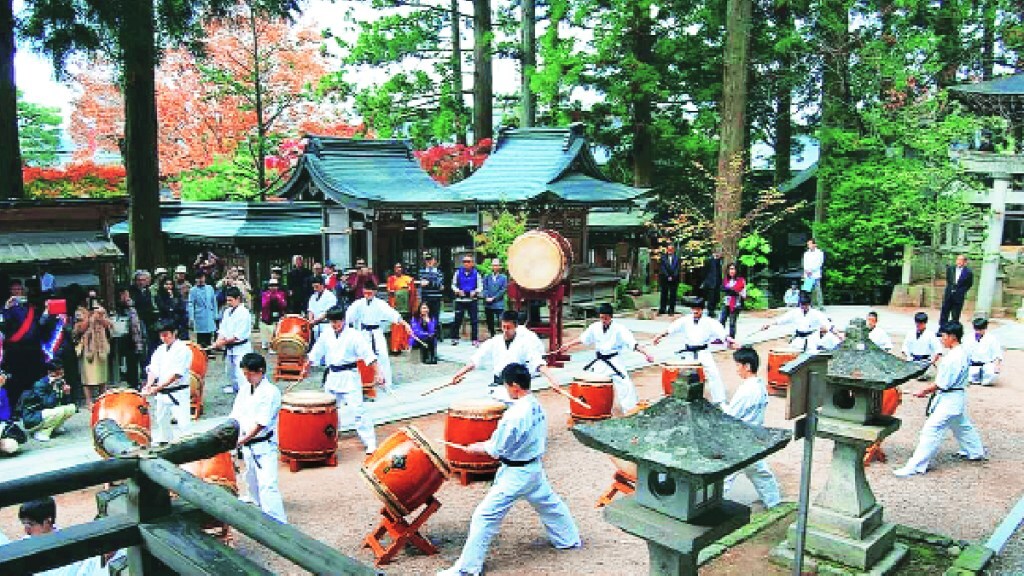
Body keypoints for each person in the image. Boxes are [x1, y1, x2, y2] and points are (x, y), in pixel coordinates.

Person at [437, 363, 582, 576]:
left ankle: (467, 569)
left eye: (506, 386)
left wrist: (477, 448)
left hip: (516, 474)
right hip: (533, 469)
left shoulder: (514, 416)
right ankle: (568, 540)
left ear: (514, 386)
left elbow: (497, 448)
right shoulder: (535, 404)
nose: (505, 389)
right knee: (550, 504)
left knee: (484, 517)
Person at [893, 322, 987, 477]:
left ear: (952, 337)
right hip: (955, 397)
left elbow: (942, 383)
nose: (942, 340)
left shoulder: (954, 358)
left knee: (932, 430)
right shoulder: (960, 352)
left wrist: (923, 390)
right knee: (962, 425)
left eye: (943, 336)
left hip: (950, 398)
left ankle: (916, 466)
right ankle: (975, 451)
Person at [308, 307, 382, 453]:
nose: (334, 325)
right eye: (332, 322)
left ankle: (370, 442)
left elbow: (369, 355)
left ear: (343, 320)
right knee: (329, 411)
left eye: (337, 322)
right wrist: (306, 366)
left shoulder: (354, 335)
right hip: (332, 376)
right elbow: (316, 351)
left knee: (358, 411)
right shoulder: (326, 333)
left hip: (349, 376)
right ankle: (329, 438)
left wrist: (379, 373)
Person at [449, 310, 564, 404]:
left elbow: (538, 363)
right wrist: (459, 374)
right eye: (503, 327)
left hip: (517, 388)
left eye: (508, 327)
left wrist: (552, 379)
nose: (505, 330)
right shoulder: (494, 341)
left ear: (516, 326)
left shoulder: (525, 343)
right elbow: (475, 360)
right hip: (499, 385)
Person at [558, 303, 654, 414]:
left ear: (611, 317)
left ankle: (630, 410)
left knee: (625, 385)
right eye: (601, 317)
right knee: (587, 383)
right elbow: (583, 339)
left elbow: (632, 343)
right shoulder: (595, 327)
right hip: (600, 362)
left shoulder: (619, 329)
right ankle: (581, 408)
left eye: (606, 318)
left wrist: (646, 353)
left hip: (614, 361)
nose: (603, 320)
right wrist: (568, 344)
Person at [722, 347, 783, 508]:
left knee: (725, 476)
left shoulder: (747, 390)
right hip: (753, 437)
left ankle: (712, 508)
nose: (736, 370)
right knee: (760, 473)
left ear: (747, 366)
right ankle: (774, 502)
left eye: (737, 365)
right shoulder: (760, 386)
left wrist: (721, 408)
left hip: (739, 439)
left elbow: (730, 416)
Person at [230, 353, 287, 523]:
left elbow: (262, 423)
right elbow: (236, 414)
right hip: (247, 445)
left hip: (264, 445)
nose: (246, 377)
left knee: (268, 484)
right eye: (245, 373)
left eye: (249, 373)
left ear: (260, 371)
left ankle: (277, 521)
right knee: (251, 481)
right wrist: (231, 434)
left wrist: (243, 439)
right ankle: (260, 509)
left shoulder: (271, 392)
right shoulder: (245, 389)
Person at [653, 298, 732, 405]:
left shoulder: (710, 322)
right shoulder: (685, 320)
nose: (695, 311)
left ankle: (720, 400)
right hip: (689, 353)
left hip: (703, 352)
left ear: (702, 310)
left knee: (714, 374)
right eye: (693, 309)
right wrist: (659, 336)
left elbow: (721, 333)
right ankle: (684, 397)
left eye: (698, 309)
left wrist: (729, 340)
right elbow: (671, 329)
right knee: (684, 375)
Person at [345, 283, 411, 390]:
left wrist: (405, 324)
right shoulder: (358, 304)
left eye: (369, 293)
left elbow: (392, 314)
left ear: (375, 292)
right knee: (363, 357)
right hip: (363, 333)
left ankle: (386, 383)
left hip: (376, 332)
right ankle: (365, 384)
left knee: (383, 356)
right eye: (365, 293)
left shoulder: (380, 304)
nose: (367, 295)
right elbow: (348, 317)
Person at [19, 497, 107, 575]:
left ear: (47, 521)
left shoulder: (73, 546)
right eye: (25, 525)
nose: (26, 531)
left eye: (30, 525)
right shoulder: (22, 546)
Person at [142, 320, 192, 444]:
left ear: (174, 333)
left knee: (183, 423)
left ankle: (188, 447)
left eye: (166, 335)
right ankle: (165, 442)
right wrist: (148, 385)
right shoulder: (160, 349)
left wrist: (157, 388)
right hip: (162, 392)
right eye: (161, 335)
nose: (163, 338)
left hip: (178, 391)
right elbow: (153, 369)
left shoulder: (183, 349)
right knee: (161, 420)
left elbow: (176, 374)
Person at [1, 279, 47, 409]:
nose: (17, 293)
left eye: (19, 290)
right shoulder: (6, 308)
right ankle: (13, 408)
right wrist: (6, 308)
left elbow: (39, 325)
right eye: (14, 290)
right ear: (10, 292)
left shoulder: (32, 307)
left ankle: (34, 406)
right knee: (15, 381)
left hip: (33, 349)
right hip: (16, 350)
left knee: (34, 378)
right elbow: (4, 326)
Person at [17, 361, 76, 442]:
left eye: (62, 374)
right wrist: (54, 390)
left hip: (48, 413)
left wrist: (67, 394)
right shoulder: (40, 384)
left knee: (71, 408)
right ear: (50, 372)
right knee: (60, 411)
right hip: (34, 417)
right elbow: (48, 404)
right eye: (57, 374)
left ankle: (55, 427)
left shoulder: (60, 382)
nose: (60, 376)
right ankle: (42, 433)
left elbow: (65, 404)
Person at [72, 299, 112, 408]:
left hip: (101, 346)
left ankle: (102, 398)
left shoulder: (101, 310)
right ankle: (89, 401)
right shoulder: (80, 311)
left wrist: (101, 316)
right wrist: (91, 318)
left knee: (102, 375)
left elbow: (109, 325)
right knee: (87, 376)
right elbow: (79, 329)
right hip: (87, 347)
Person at [760, 293, 831, 353]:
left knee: (811, 353)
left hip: (812, 338)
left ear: (809, 304)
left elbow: (827, 324)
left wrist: (828, 330)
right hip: (798, 337)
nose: (803, 307)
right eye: (802, 305)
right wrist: (769, 324)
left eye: (805, 305)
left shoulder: (816, 313)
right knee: (794, 352)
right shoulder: (795, 312)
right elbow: (782, 319)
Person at [214, 287, 253, 394]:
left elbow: (238, 335)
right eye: (227, 300)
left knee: (241, 371)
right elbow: (222, 329)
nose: (228, 303)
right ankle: (235, 387)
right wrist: (218, 340)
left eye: (231, 300)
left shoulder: (244, 313)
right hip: (229, 347)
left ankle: (245, 391)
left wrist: (222, 342)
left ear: (238, 299)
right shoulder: (227, 312)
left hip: (241, 347)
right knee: (230, 370)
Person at [116, 286, 146, 388]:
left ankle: (135, 382)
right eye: (124, 294)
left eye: (127, 294)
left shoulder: (132, 306)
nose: (126, 296)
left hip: (134, 336)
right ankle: (129, 381)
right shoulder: (118, 307)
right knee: (126, 361)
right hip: (123, 337)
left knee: (134, 360)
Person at [451, 253, 482, 346]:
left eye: (468, 261)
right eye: (464, 262)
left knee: (474, 320)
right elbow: (453, 284)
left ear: (472, 263)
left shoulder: (476, 273)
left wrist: (476, 291)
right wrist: (457, 290)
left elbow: (480, 286)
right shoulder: (458, 272)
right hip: (460, 300)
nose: (466, 263)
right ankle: (455, 338)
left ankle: (474, 339)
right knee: (457, 319)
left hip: (472, 300)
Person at [902, 312, 943, 381]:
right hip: (912, 360)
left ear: (925, 323)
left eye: (921, 323)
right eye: (917, 323)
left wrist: (932, 361)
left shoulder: (930, 334)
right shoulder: (910, 333)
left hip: (925, 361)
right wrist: (908, 356)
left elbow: (938, 350)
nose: (918, 325)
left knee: (925, 374)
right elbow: (905, 347)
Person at [129, 270, 158, 356]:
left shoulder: (150, 291)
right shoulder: (132, 291)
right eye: (139, 280)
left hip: (150, 320)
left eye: (143, 280)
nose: (141, 282)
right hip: (137, 320)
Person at [939, 254, 973, 328]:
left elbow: (969, 284)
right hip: (949, 294)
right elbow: (948, 280)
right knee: (944, 311)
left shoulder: (968, 272)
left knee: (956, 314)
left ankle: (953, 330)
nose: (959, 262)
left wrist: (962, 291)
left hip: (959, 295)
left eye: (961, 260)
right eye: (958, 260)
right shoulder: (950, 268)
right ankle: (942, 328)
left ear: (965, 262)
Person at [967, 317, 1002, 386]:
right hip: (972, 364)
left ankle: (984, 378)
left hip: (987, 364)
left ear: (985, 328)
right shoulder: (968, 338)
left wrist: (997, 367)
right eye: (976, 329)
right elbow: (964, 353)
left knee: (992, 376)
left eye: (980, 330)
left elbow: (997, 354)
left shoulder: (992, 339)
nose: (978, 332)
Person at [188, 272, 217, 349]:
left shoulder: (210, 288)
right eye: (198, 278)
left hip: (209, 314)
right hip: (199, 315)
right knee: (201, 336)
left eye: (202, 277)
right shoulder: (193, 290)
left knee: (209, 334)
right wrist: (191, 317)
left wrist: (215, 314)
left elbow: (214, 302)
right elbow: (191, 304)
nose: (200, 280)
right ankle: (201, 352)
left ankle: (209, 350)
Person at [481, 258, 508, 339]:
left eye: (496, 265)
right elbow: (484, 288)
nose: (495, 267)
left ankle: (503, 336)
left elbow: (503, 290)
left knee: (501, 320)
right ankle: (492, 334)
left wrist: (494, 298)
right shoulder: (487, 277)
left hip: (498, 303)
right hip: (488, 303)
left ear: (500, 266)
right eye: (493, 265)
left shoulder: (503, 277)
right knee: (489, 321)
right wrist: (486, 297)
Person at [306, 275, 338, 343]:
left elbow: (328, 312)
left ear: (322, 285)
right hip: (315, 326)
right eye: (313, 287)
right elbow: (310, 310)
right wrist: (310, 320)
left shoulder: (330, 296)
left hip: (326, 325)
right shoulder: (313, 296)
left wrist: (315, 321)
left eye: (316, 287)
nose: (315, 289)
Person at [259, 278, 288, 352]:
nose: (273, 287)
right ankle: (268, 344)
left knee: (276, 330)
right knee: (268, 331)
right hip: (267, 315)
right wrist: (270, 297)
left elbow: (284, 304)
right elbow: (264, 305)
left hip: (278, 314)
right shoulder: (265, 294)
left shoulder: (281, 293)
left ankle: (274, 345)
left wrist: (278, 298)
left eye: (275, 285)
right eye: (271, 285)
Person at [718, 263, 745, 338]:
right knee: (722, 320)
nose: (732, 271)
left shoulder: (741, 280)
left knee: (732, 322)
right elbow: (722, 288)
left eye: (733, 269)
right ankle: (720, 337)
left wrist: (730, 290)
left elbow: (737, 291)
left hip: (736, 303)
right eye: (730, 269)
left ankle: (731, 338)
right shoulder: (726, 279)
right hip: (726, 302)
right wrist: (730, 290)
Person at [418, 253, 445, 322]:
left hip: (436, 299)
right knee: (425, 318)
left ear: (434, 261)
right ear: (425, 261)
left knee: (435, 318)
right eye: (427, 260)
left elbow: (439, 285)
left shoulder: (439, 272)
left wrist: (429, 283)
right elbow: (422, 283)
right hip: (425, 298)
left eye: (431, 260)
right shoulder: (421, 272)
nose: (429, 262)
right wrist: (434, 283)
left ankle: (435, 332)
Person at [658, 245, 682, 316]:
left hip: (674, 279)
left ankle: (671, 309)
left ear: (673, 250)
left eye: (671, 249)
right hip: (665, 278)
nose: (670, 251)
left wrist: (673, 276)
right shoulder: (663, 258)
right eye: (669, 249)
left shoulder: (677, 258)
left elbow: (678, 269)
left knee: (673, 295)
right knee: (664, 294)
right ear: (667, 250)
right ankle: (662, 309)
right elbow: (662, 268)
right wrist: (668, 276)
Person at [802, 238, 825, 310]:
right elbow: (805, 264)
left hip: (815, 274)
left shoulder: (819, 253)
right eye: (808, 244)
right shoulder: (806, 253)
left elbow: (819, 263)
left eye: (810, 244)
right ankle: (808, 305)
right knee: (808, 290)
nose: (809, 245)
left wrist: (811, 270)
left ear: (814, 244)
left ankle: (819, 305)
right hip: (807, 274)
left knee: (817, 290)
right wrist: (806, 270)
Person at [700, 250, 724, 316]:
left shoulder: (719, 261)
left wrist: (720, 282)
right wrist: (705, 281)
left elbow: (719, 272)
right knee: (711, 297)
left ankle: (713, 309)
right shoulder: (708, 260)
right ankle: (710, 311)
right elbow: (704, 272)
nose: (719, 254)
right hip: (710, 282)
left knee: (716, 297)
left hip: (717, 282)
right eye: (718, 253)